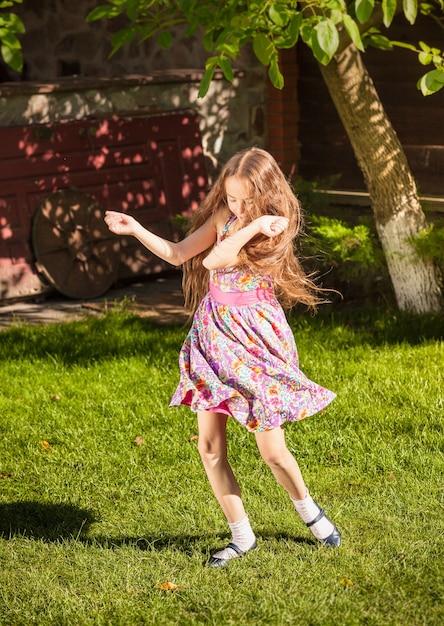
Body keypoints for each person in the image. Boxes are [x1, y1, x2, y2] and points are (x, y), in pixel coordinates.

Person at [104, 147, 340, 567]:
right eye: (231, 198)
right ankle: (241, 535)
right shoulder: (224, 220)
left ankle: (311, 513)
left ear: (265, 194)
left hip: (257, 341)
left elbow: (215, 259)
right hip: (214, 337)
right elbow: (180, 254)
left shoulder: (275, 227)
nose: (236, 207)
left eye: (245, 199)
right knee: (210, 448)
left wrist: (249, 227)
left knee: (271, 451)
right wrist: (136, 228)